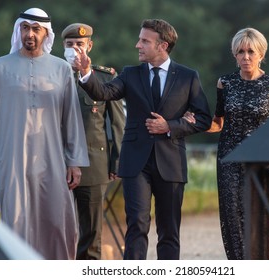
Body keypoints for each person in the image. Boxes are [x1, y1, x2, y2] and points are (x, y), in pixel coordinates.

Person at [75, 19, 212, 260]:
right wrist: (86, 73)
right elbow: (104, 93)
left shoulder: (188, 77)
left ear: (163, 45)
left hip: (171, 163)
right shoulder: (130, 74)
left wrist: (169, 126)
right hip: (135, 163)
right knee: (137, 226)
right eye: (139, 39)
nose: (137, 45)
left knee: (169, 230)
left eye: (144, 41)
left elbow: (203, 118)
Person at [0, 8, 89, 260]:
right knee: (15, 220)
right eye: (25, 28)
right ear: (18, 30)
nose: (30, 34)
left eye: (36, 29)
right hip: (10, 157)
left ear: (46, 34)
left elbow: (72, 118)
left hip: (53, 159)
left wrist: (75, 162)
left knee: (58, 221)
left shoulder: (61, 69)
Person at [207, 27, 269, 260]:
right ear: (234, 54)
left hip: (260, 162)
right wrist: (191, 124)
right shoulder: (225, 82)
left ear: (261, 53)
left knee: (257, 217)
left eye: (251, 51)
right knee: (232, 217)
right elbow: (218, 121)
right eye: (240, 52)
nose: (245, 57)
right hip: (228, 159)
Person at [61, 23, 126, 260]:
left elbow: (118, 123)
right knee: (58, 231)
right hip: (56, 161)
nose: (75, 49)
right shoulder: (54, 75)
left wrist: (117, 162)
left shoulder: (105, 77)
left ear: (90, 46)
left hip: (94, 162)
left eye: (80, 44)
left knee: (91, 236)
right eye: (70, 45)